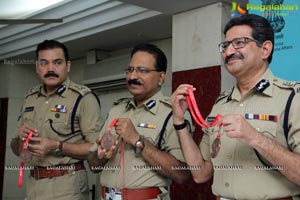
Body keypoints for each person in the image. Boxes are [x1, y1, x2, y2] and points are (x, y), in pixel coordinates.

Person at [172, 14, 300, 200]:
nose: (229, 51)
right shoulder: (220, 103)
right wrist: (179, 122)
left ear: (265, 49)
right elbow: (201, 173)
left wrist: (256, 138)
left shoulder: (292, 98)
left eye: (239, 42)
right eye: (225, 46)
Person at [88, 43, 191, 200]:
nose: (132, 76)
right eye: (130, 70)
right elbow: (93, 166)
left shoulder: (173, 113)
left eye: (142, 71)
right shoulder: (117, 109)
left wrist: (138, 140)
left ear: (161, 78)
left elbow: (182, 174)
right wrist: (101, 155)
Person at [10, 39, 102, 200]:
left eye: (57, 62)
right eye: (44, 63)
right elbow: (16, 148)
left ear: (67, 66)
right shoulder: (30, 98)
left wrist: (57, 146)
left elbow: (96, 149)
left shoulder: (83, 98)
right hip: (34, 186)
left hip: (67, 187)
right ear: (37, 67)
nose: (50, 68)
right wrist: (20, 140)